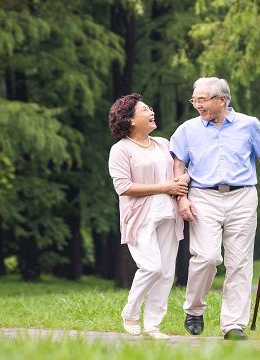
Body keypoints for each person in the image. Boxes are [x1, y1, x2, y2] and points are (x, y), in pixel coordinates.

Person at [170, 77, 260, 340]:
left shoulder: (249, 124)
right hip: (203, 197)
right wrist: (181, 198)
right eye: (194, 100)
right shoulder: (188, 129)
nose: (197, 105)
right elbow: (178, 165)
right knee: (207, 257)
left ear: (222, 100)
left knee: (239, 263)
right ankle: (195, 308)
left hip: (242, 196)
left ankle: (233, 324)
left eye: (202, 99)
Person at [108, 93, 189, 340]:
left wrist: (182, 179)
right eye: (145, 110)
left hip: (168, 214)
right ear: (130, 120)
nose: (151, 111)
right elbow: (123, 187)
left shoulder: (163, 144)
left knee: (166, 273)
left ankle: (153, 325)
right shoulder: (121, 149)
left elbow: (182, 170)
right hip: (139, 217)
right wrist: (165, 187)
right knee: (151, 267)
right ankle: (130, 312)